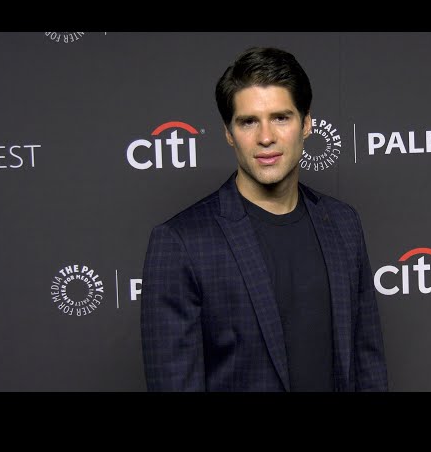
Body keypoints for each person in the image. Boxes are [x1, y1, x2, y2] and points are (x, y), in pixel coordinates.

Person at [141, 46, 388, 391]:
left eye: (281, 118)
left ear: (307, 124)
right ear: (229, 133)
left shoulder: (343, 223)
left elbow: (367, 364)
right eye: (248, 122)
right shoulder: (181, 242)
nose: (266, 137)